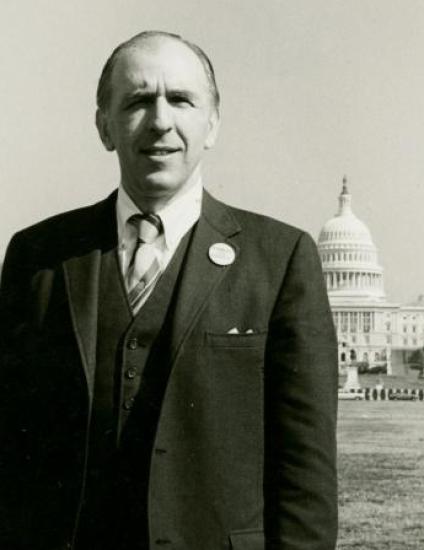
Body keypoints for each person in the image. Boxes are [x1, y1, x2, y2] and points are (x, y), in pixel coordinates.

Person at [0, 31, 338, 550]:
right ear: (104, 126)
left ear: (212, 124)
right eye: (137, 101)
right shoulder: (39, 257)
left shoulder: (281, 258)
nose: (161, 121)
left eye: (181, 99)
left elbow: (306, 471)